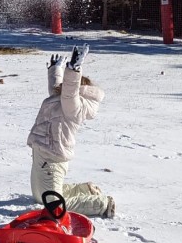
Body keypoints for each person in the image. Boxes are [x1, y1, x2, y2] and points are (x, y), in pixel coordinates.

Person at [26, 45, 115, 218]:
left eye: (68, 86)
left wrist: (74, 69)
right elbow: (57, 87)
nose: (62, 88)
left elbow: (68, 91)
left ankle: (103, 204)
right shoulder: (59, 99)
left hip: (52, 158)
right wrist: (55, 69)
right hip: (41, 153)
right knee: (40, 197)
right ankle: (85, 190)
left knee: (53, 204)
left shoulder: (73, 106)